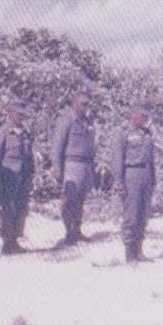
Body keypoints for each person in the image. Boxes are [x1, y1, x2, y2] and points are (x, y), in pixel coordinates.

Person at [112, 102, 156, 263]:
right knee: (131, 214)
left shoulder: (147, 132)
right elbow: (117, 159)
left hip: (146, 174)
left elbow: (151, 158)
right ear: (133, 115)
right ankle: (129, 252)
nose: (145, 118)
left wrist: (153, 179)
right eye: (142, 115)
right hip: (131, 174)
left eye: (146, 116)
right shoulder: (123, 133)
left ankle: (139, 249)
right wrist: (118, 182)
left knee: (143, 214)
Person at [0, 99, 35, 255]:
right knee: (7, 209)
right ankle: (7, 242)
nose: (20, 117)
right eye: (17, 114)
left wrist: (31, 174)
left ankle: (15, 239)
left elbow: (29, 156)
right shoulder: (2, 133)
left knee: (21, 208)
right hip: (8, 176)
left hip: (23, 177)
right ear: (10, 114)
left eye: (23, 114)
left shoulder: (25, 133)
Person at [51, 91, 96, 245]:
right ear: (74, 104)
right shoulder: (66, 120)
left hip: (86, 164)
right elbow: (57, 145)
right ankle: (68, 233)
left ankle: (77, 230)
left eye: (87, 104)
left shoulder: (87, 121)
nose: (86, 107)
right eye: (83, 104)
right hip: (72, 164)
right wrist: (57, 167)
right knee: (69, 199)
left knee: (80, 200)